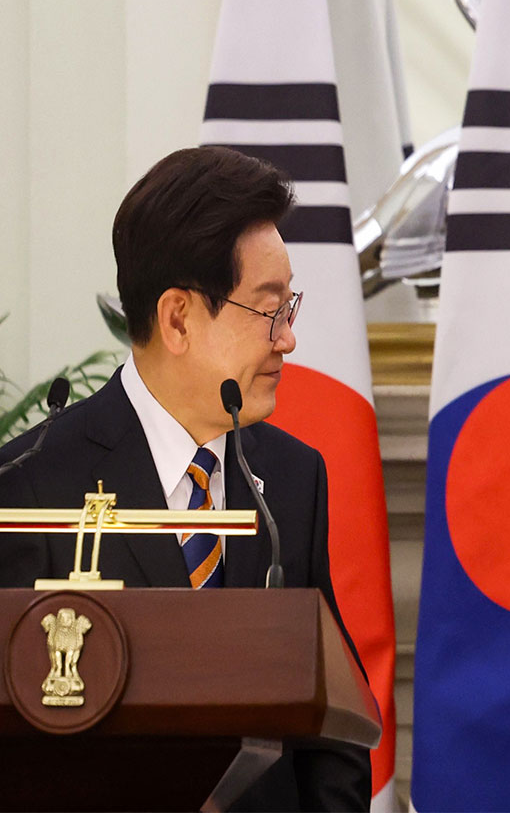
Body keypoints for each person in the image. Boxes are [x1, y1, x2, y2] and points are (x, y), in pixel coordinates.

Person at [0, 146, 371, 811]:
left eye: (292, 307)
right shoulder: (32, 488)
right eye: (268, 311)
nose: (287, 339)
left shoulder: (291, 477)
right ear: (177, 318)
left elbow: (332, 727)